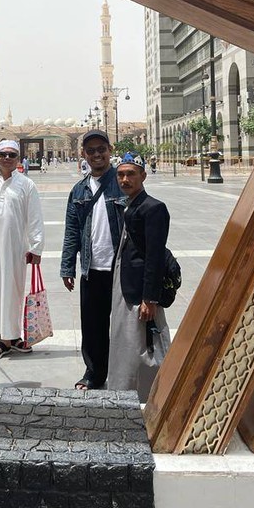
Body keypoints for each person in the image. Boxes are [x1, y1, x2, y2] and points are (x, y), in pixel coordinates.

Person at [60, 130, 124, 390]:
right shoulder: (79, 190)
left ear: (110, 150)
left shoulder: (123, 181)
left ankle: (126, 374)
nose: (97, 154)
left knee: (125, 327)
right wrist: (67, 266)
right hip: (92, 269)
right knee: (93, 325)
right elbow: (71, 230)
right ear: (84, 155)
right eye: (91, 151)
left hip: (121, 269)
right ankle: (94, 373)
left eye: (101, 149)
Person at [107, 156, 171, 402]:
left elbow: (154, 257)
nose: (125, 179)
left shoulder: (153, 208)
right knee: (126, 339)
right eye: (121, 174)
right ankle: (122, 389)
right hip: (126, 283)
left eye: (131, 174)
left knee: (143, 342)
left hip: (141, 290)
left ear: (143, 176)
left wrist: (150, 298)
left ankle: (149, 391)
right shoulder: (130, 204)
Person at [0, 139, 44, 360]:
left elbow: (34, 218)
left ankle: (11, 338)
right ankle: (3, 337)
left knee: (13, 290)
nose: (7, 158)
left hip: (15, 248)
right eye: (3, 154)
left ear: (17, 159)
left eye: (12, 155)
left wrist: (36, 246)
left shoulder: (26, 185)